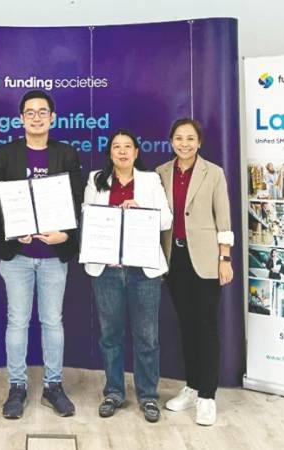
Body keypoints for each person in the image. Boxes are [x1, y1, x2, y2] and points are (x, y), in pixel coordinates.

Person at [0, 90, 83, 419]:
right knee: (17, 321)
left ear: (53, 118)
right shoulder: (6, 153)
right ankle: (17, 387)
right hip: (17, 255)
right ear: (21, 118)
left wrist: (65, 233)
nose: (37, 117)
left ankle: (54, 386)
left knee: (52, 321)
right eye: (30, 112)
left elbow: (77, 198)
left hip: (54, 255)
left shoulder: (66, 154)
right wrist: (15, 228)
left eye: (43, 112)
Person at [83, 129, 172, 423]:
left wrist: (141, 210)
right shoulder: (96, 180)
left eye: (127, 147)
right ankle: (114, 392)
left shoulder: (150, 180)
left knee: (147, 336)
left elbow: (167, 219)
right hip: (107, 271)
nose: (122, 152)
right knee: (110, 336)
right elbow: (88, 218)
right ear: (110, 153)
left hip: (142, 271)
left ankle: (148, 396)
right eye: (116, 147)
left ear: (136, 152)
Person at [156, 118, 234, 427]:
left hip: (205, 260)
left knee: (206, 327)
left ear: (199, 142)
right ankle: (191, 386)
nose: (184, 143)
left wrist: (224, 258)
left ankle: (207, 396)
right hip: (174, 260)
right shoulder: (161, 173)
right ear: (171, 141)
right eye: (178, 138)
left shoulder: (213, 173)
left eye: (190, 138)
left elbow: (223, 218)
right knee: (186, 325)